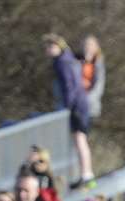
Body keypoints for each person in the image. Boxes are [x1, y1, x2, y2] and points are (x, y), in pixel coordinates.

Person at [44, 35, 95, 188]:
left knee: (80, 139)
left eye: (50, 47)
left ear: (58, 46)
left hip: (76, 106)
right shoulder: (68, 59)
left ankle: (86, 174)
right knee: (80, 139)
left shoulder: (63, 62)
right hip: (79, 104)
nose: (47, 50)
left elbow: (69, 86)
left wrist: (67, 106)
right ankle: (85, 174)